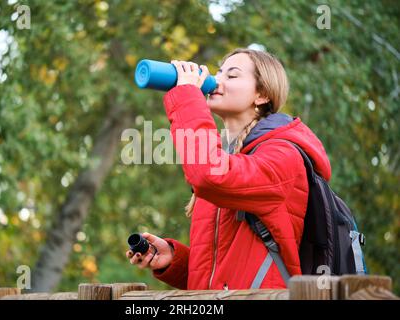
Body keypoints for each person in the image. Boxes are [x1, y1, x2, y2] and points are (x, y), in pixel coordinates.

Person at [126, 48, 331, 290]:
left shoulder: (283, 156)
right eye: (219, 72)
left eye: (232, 76)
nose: (218, 80)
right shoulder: (228, 159)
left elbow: (208, 175)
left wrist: (187, 96)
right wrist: (174, 259)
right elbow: (223, 277)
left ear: (262, 95)